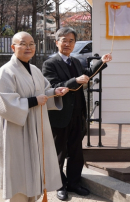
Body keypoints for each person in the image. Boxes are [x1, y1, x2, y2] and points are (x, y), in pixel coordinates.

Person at [42, 28, 112, 201]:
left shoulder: (76, 61)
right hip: (60, 115)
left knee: (76, 152)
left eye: (71, 41)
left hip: (77, 113)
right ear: (57, 42)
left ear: (74, 44)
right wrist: (75, 81)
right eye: (64, 40)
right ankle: (59, 185)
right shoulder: (49, 64)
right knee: (59, 152)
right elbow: (54, 87)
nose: (67, 44)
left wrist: (101, 63)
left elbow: (86, 75)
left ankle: (74, 182)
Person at [0, 32, 69, 202]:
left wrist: (55, 92)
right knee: (19, 169)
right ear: (13, 47)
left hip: (37, 127)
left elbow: (43, 91)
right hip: (17, 129)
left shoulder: (35, 70)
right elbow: (5, 103)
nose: (28, 47)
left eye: (32, 44)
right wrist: (33, 101)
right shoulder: (5, 72)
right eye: (23, 44)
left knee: (35, 167)